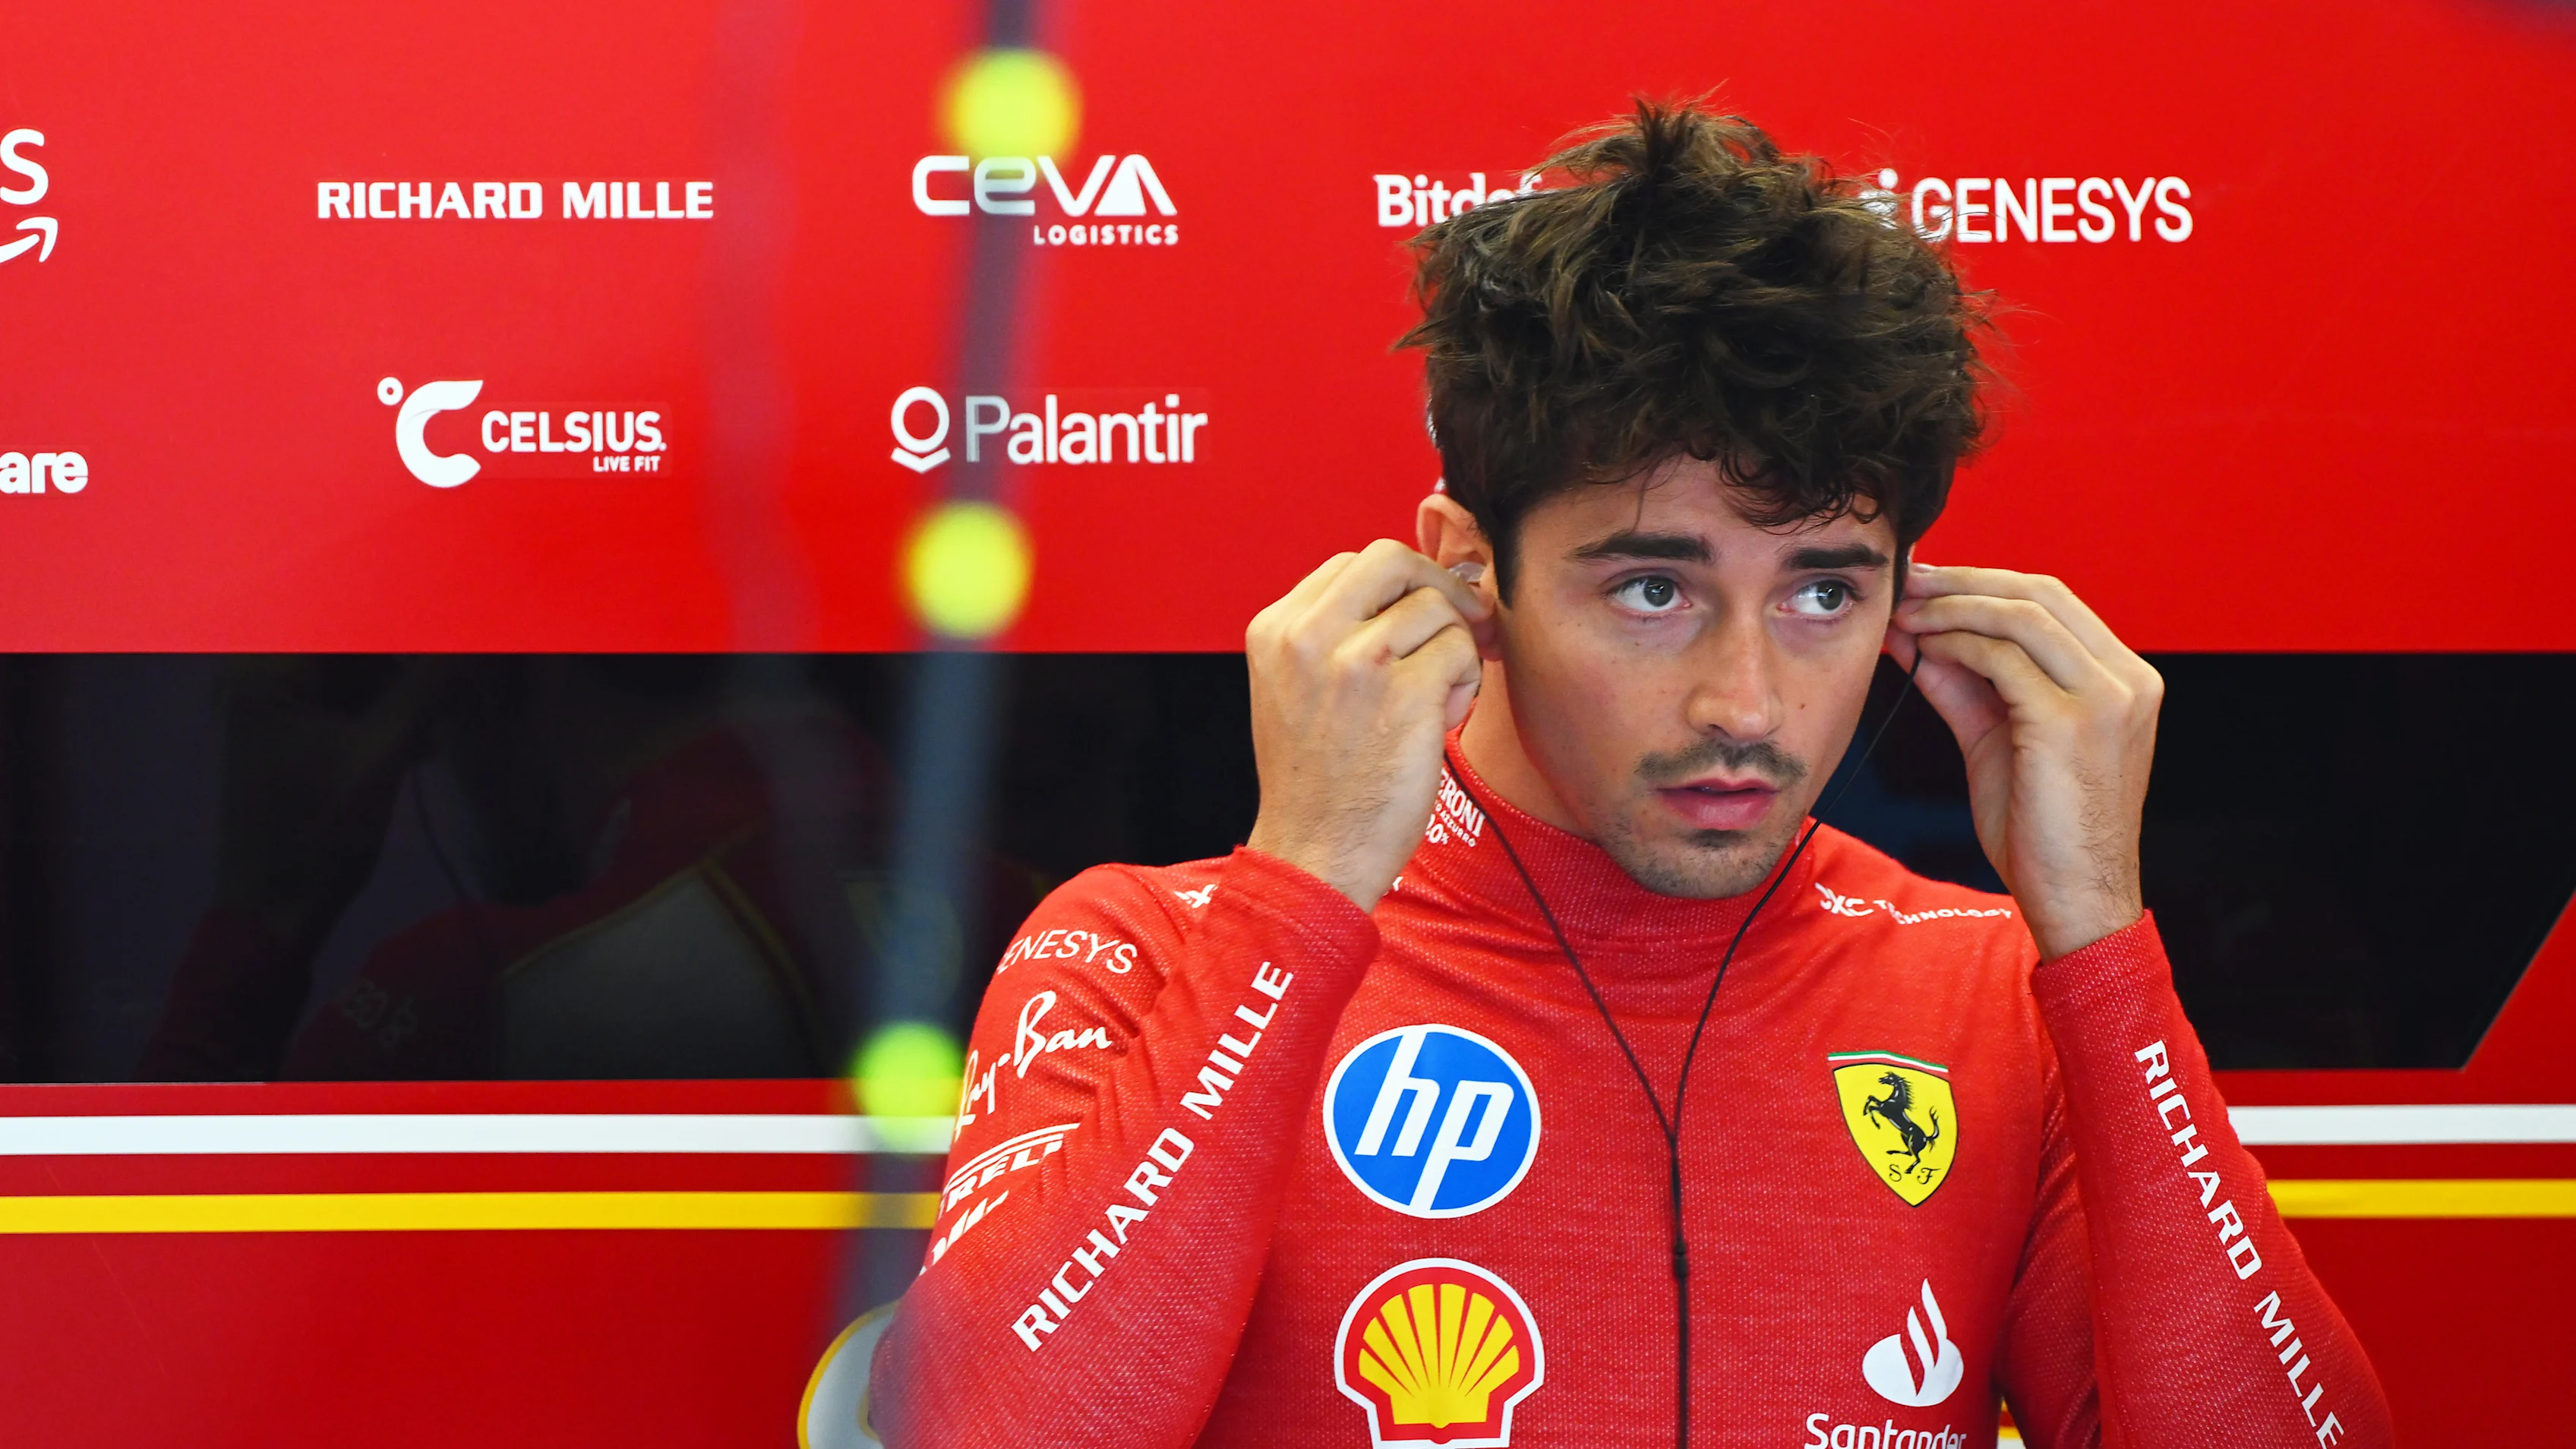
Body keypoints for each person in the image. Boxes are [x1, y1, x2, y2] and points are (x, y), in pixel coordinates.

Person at [869, 102, 2391, 1448]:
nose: (1746, 702)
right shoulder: (1147, 952)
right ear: (1469, 577)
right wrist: (1301, 898)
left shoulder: (1992, 990)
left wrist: (2102, 945)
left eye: (1820, 592)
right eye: (1653, 590)